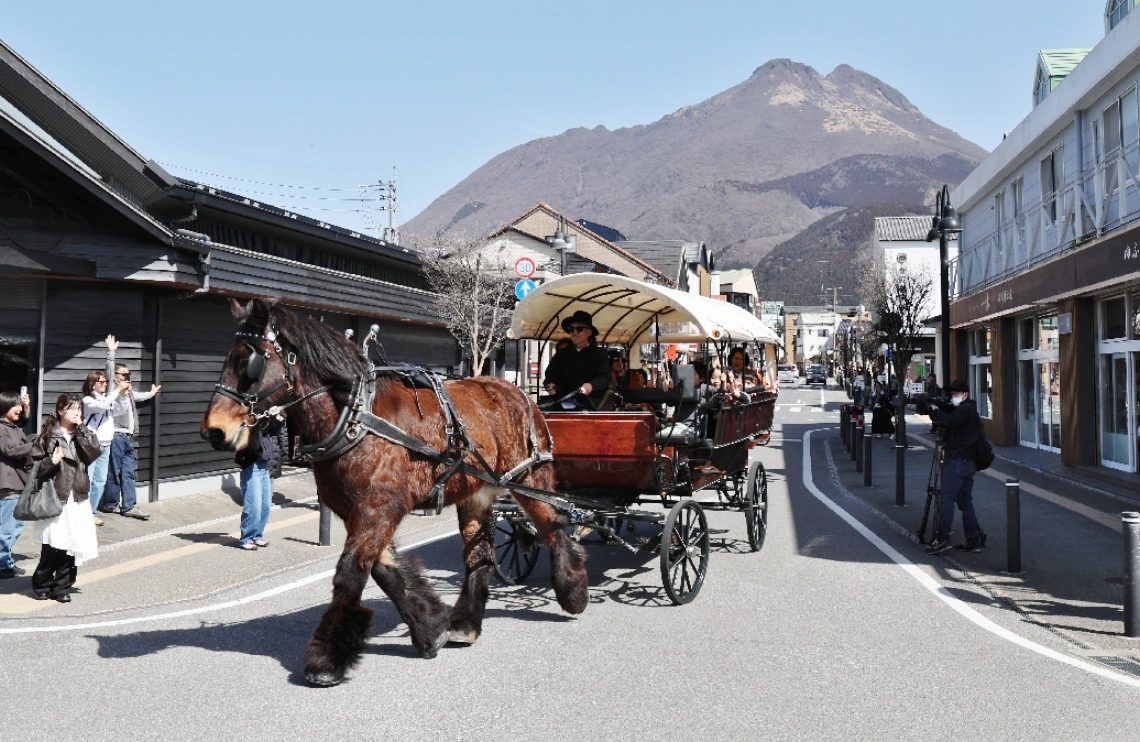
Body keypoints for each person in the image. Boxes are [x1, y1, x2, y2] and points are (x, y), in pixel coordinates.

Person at [30, 394, 102, 602]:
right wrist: (51, 461)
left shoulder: (83, 433)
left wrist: (81, 429)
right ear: (61, 410)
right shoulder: (47, 435)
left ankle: (62, 585)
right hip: (56, 494)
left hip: (77, 493)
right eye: (73, 409)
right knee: (53, 542)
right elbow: (33, 466)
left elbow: (93, 453)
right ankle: (42, 582)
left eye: (79, 409)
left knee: (73, 540)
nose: (77, 413)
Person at [99, 338, 161, 520]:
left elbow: (141, 396)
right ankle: (110, 504)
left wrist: (152, 393)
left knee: (128, 473)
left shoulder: (130, 393)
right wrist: (111, 354)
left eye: (129, 374)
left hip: (129, 438)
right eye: (124, 374)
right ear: (117, 376)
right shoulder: (113, 390)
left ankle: (128, 506)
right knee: (114, 472)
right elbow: (109, 373)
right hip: (116, 436)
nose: (127, 377)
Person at [925, 380, 987, 555]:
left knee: (946, 499)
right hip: (969, 463)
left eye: (956, 394)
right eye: (952, 394)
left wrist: (936, 412)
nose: (954, 397)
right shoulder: (970, 410)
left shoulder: (965, 410)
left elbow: (950, 421)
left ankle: (942, 538)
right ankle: (974, 540)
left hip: (958, 462)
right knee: (965, 502)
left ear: (965, 394)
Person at [81, 339, 129, 524]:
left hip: (106, 444)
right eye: (101, 381)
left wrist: (123, 396)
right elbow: (103, 405)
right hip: (92, 445)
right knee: (88, 480)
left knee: (100, 481)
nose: (104, 384)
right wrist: (117, 389)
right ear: (92, 384)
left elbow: (119, 410)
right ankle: (83, 513)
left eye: (105, 381)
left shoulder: (106, 398)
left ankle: (92, 513)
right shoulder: (88, 401)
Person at [235, 414, 287, 550]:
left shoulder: (263, 417)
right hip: (252, 465)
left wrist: (278, 419)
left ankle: (257, 535)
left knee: (265, 506)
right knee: (253, 505)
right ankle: (246, 537)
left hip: (265, 465)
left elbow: (271, 430)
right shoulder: (245, 416)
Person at [542, 310, 610, 408]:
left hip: (589, 403)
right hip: (561, 400)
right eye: (571, 329)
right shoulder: (561, 355)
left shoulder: (600, 354)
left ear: (589, 332)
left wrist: (591, 386)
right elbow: (550, 375)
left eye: (579, 329)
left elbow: (604, 378)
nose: (574, 332)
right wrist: (550, 384)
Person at [0, 390, 33, 579]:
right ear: (5, 406)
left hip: (16, 483)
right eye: (16, 405)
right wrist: (33, 446)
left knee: (16, 525)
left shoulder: (12, 426)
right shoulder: (1, 428)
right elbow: (11, 450)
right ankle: (3, 564)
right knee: (7, 528)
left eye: (20, 405)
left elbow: (23, 428)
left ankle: (5, 561)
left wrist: (35, 439)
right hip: (8, 484)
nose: (19, 409)